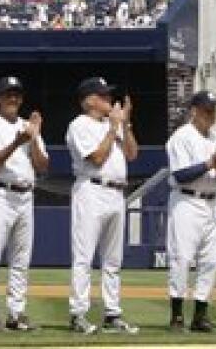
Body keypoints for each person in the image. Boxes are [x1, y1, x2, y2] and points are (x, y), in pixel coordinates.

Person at [0, 75, 48, 331]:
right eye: (7, 94)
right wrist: (18, 142)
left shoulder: (29, 126)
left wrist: (35, 137)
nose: (12, 98)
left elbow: (43, 166)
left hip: (25, 195)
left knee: (21, 259)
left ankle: (16, 313)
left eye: (16, 94)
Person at [65, 75, 139, 334]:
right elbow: (96, 158)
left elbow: (132, 153)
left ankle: (112, 313)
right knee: (84, 256)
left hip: (116, 193)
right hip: (92, 190)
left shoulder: (115, 123)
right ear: (91, 100)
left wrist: (125, 124)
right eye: (105, 95)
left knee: (113, 260)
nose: (110, 99)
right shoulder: (80, 125)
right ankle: (78, 314)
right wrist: (112, 129)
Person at [164, 91, 216, 333]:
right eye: (206, 110)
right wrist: (210, 164)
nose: (211, 115)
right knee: (182, 258)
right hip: (187, 202)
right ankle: (177, 315)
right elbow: (180, 176)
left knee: (210, 261)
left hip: (212, 202)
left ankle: (201, 315)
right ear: (194, 110)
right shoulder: (181, 137)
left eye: (213, 110)